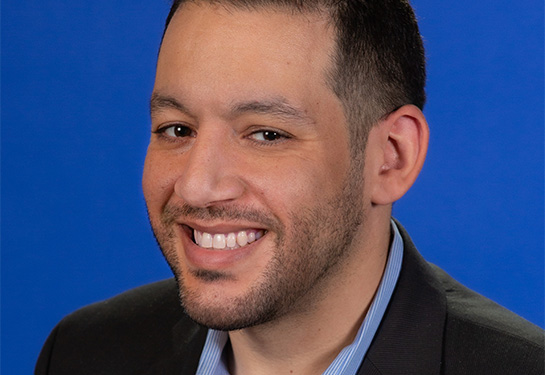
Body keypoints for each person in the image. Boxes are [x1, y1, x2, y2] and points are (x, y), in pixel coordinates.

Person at [35, 0, 544, 374]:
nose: (196, 186)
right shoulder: (82, 355)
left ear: (391, 157)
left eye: (267, 134)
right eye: (177, 129)